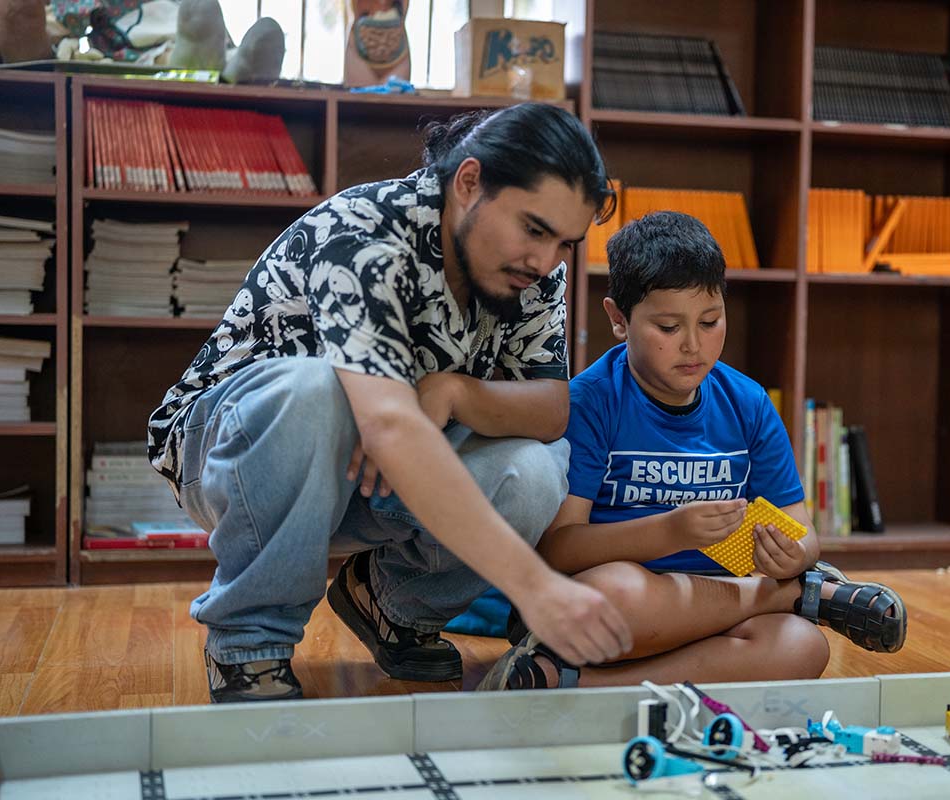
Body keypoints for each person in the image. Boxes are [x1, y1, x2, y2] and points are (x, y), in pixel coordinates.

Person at [147, 102, 633, 703]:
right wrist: (535, 586)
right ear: (470, 181)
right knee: (316, 390)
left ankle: (390, 603)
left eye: (565, 243)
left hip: (369, 475)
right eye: (533, 230)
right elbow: (387, 422)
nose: (545, 261)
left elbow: (551, 408)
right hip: (230, 457)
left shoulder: (536, 270)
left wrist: (455, 392)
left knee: (537, 468)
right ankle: (249, 644)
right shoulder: (367, 229)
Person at [480, 211, 906, 691]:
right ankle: (795, 598)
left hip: (713, 613)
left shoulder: (747, 402)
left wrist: (792, 556)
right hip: (616, 612)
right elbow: (558, 550)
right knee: (617, 592)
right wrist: (670, 532)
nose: (693, 346)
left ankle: (579, 687)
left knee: (802, 646)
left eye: (710, 321)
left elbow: (802, 533)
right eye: (667, 327)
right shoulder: (590, 402)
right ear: (618, 319)